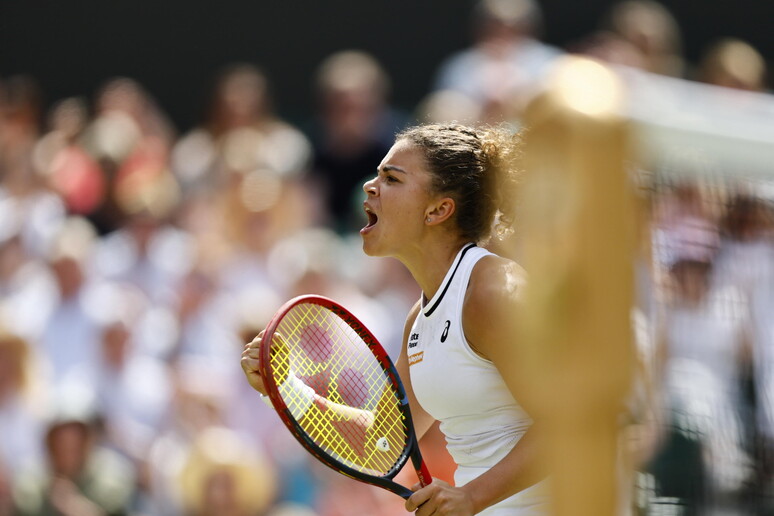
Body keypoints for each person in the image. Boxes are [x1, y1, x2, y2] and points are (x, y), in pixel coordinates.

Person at [242, 123, 549, 515]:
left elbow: (573, 425)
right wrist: (284, 386)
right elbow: (381, 446)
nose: (370, 186)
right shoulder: (419, 320)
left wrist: (472, 496)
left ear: (438, 209)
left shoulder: (493, 292)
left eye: (391, 178)